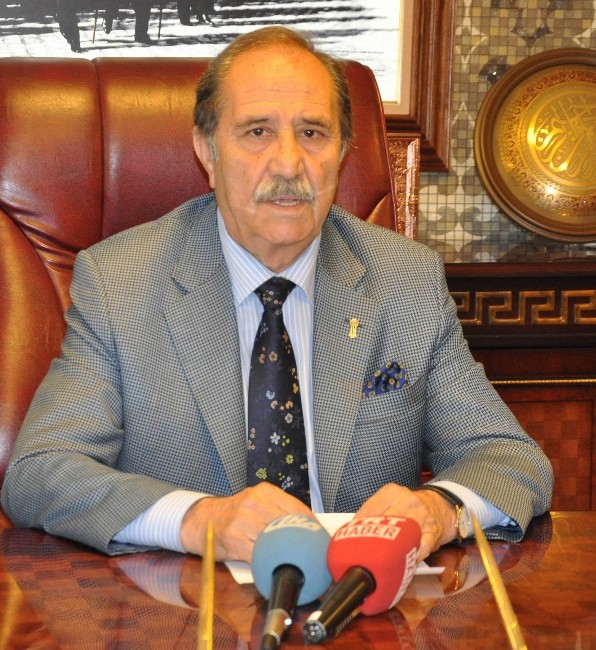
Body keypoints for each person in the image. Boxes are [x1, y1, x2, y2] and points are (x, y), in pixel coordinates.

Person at [0, 26, 553, 565]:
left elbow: (511, 460)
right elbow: (42, 471)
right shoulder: (121, 282)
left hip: (360, 602)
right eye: (257, 132)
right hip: (185, 605)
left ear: (342, 152)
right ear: (207, 151)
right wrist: (199, 521)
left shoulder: (405, 282)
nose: (289, 164)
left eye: (312, 133)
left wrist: (439, 511)